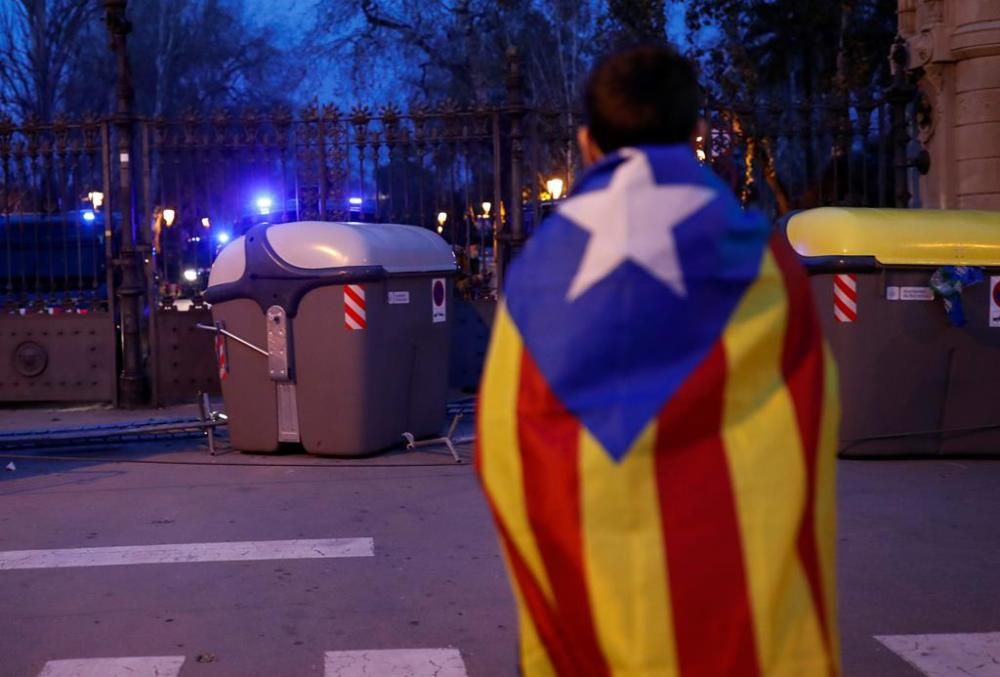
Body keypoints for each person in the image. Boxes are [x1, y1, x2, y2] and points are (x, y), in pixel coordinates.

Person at [475, 45, 840, 676]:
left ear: (589, 144)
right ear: (696, 134)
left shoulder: (536, 274)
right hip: (734, 617)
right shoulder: (766, 264)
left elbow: (507, 441)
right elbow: (807, 417)